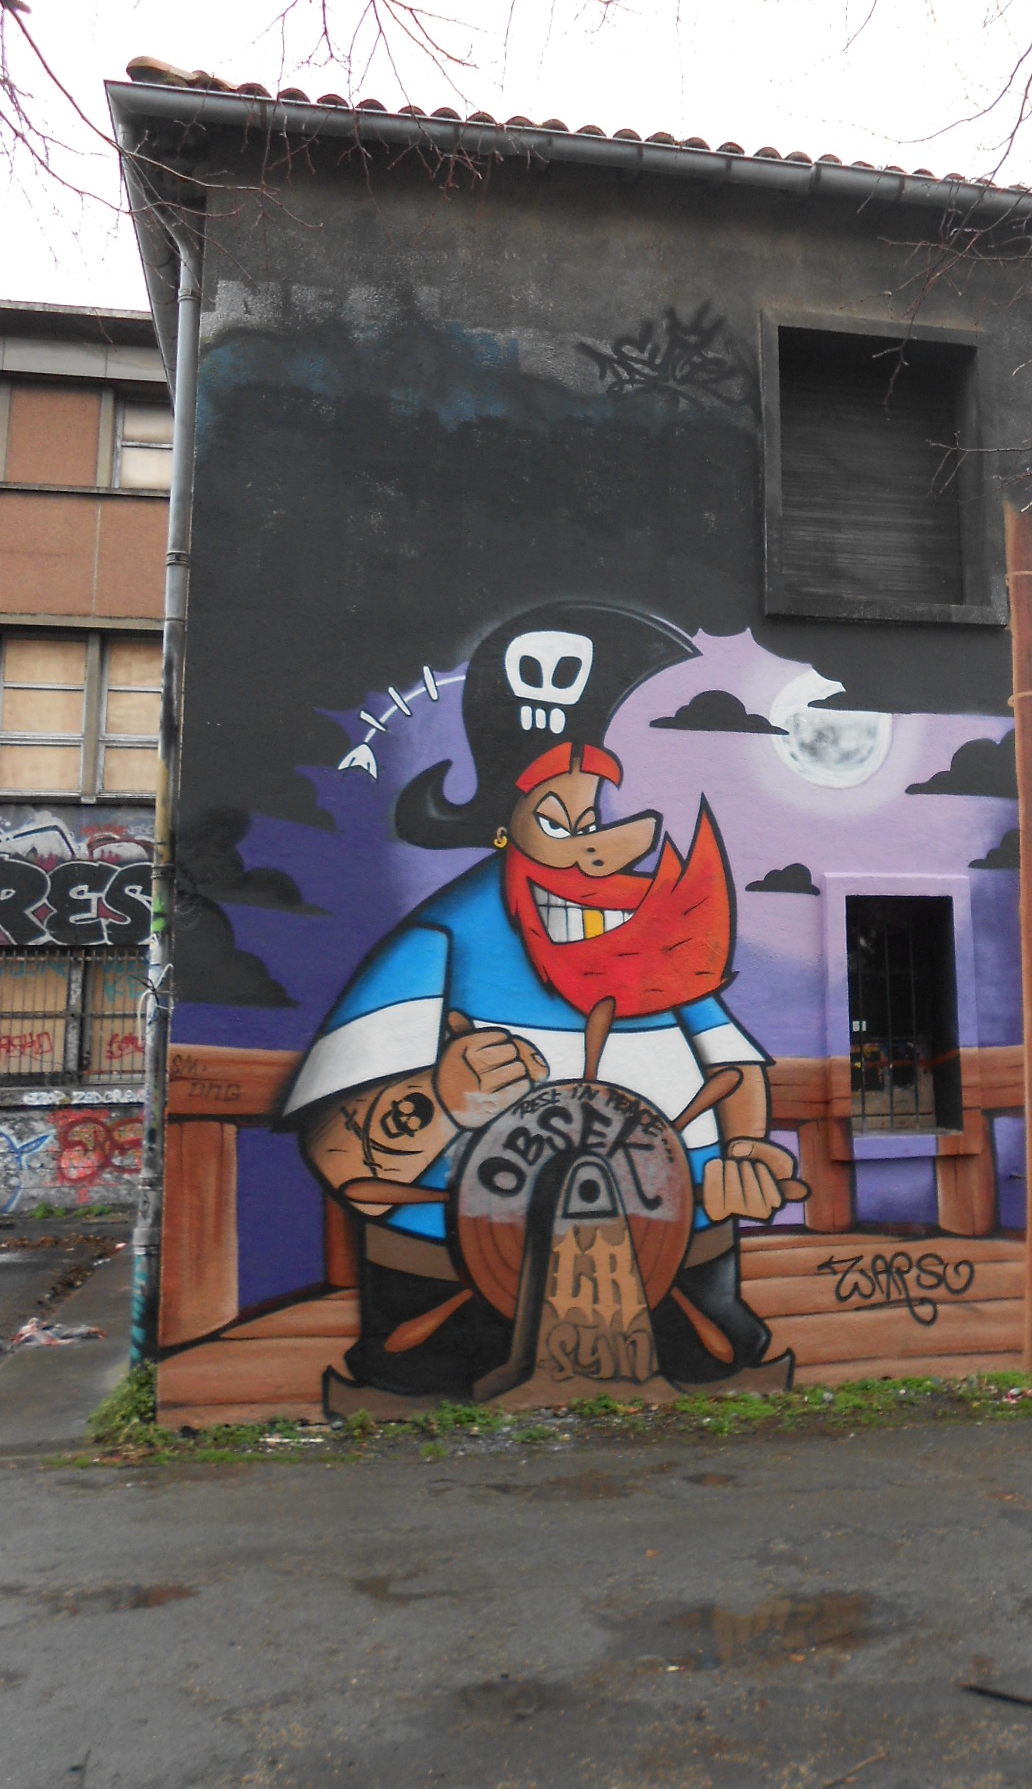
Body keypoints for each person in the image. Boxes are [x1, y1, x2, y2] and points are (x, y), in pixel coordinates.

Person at [278, 604, 802, 1412]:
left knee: (715, 1360)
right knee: (421, 1378)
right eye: (560, 824)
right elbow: (338, 1149)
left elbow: (731, 1064)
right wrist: (440, 1101)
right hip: (452, 1284)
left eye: (602, 821)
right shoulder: (441, 942)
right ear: (502, 828)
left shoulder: (656, 940)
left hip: (683, 1271)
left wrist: (747, 1154)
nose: (594, 853)